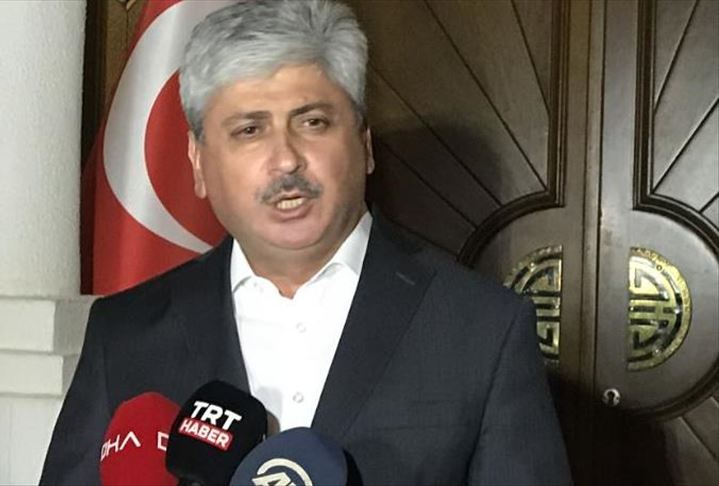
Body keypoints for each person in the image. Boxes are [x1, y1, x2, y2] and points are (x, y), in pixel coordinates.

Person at [40, 1, 571, 484]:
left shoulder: (482, 329)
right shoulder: (125, 333)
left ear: (364, 144)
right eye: (249, 130)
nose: (286, 159)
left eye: (313, 122)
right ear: (198, 163)